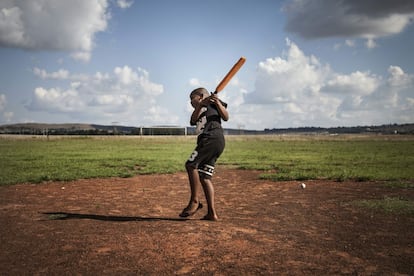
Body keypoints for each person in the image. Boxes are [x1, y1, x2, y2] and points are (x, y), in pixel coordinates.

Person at [179, 87, 229, 221]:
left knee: (190, 165)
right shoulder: (200, 109)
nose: (190, 102)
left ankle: (194, 201)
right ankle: (212, 213)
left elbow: (226, 117)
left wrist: (217, 102)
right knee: (205, 177)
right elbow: (192, 120)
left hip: (211, 138)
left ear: (200, 96)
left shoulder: (213, 104)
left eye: (192, 98)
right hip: (212, 141)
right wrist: (200, 104)